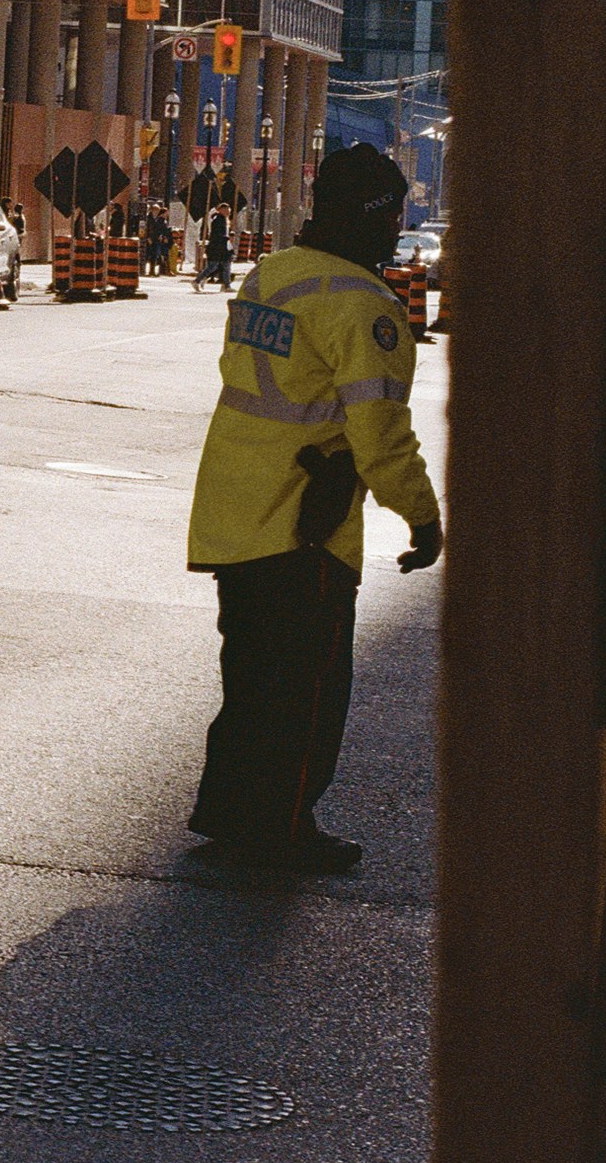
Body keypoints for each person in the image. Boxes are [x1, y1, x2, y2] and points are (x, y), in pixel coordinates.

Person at [183, 144, 443, 874]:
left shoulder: (273, 275)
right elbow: (382, 435)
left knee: (250, 681)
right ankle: (282, 826)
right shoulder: (365, 306)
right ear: (376, 217)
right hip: (304, 525)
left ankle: (230, 813)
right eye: (392, 214)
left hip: (235, 509)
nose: (396, 228)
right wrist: (422, 517)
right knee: (305, 693)